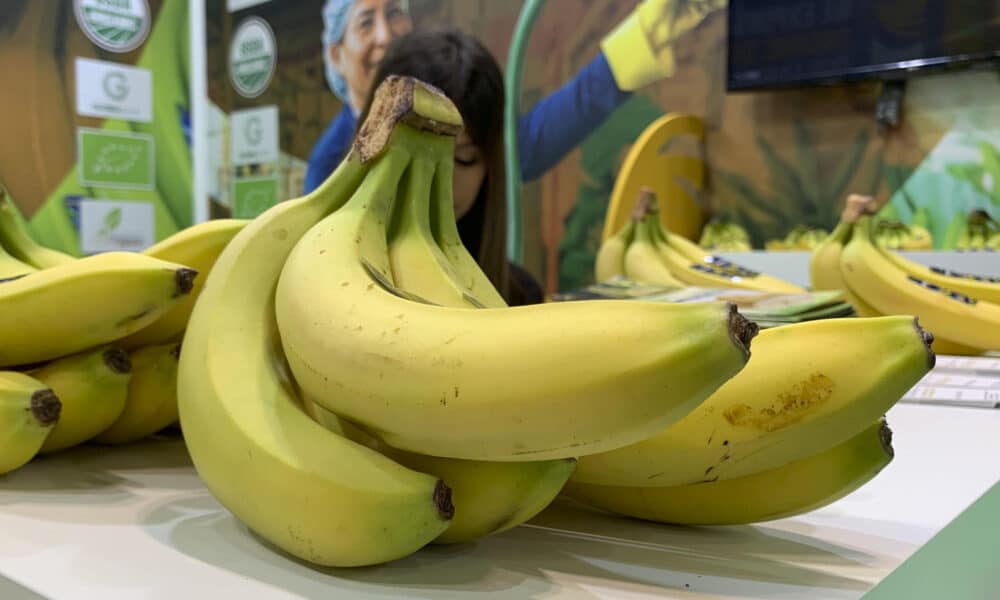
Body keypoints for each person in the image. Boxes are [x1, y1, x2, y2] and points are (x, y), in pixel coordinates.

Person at [309, 0, 724, 303]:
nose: (385, 34)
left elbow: (533, 139)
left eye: (466, 158)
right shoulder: (330, 171)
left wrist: (639, 43)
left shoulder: (512, 295)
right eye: (365, 23)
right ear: (335, 54)